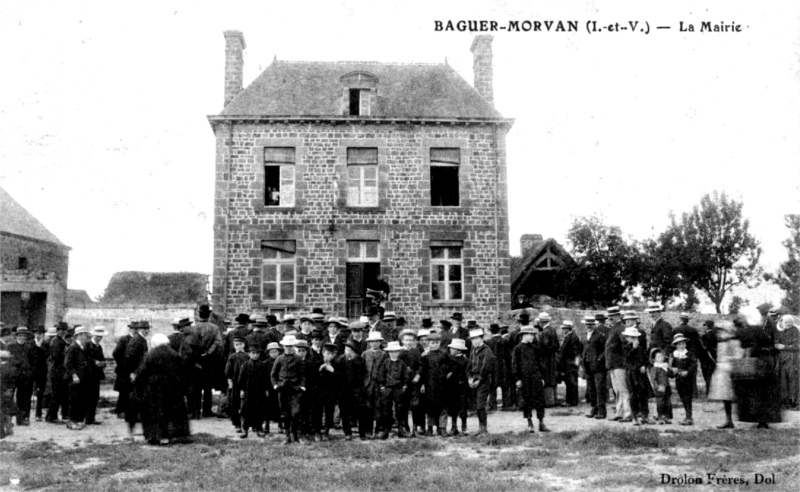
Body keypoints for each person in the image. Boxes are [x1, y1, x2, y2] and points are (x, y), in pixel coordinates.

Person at [133, 333, 191, 445]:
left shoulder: (151, 354)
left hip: (154, 388)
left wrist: (138, 385)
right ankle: (174, 435)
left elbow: (142, 372)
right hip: (172, 388)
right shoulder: (174, 354)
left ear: (154, 343)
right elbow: (182, 371)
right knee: (172, 412)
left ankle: (154, 436)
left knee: (154, 413)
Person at [512, 325, 548, 433]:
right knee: (526, 400)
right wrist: (518, 379)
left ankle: (541, 422)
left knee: (540, 400)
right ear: (524, 335)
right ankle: (529, 423)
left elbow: (540, 364)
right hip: (524, 378)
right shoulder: (517, 349)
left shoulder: (535, 348)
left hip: (536, 377)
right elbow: (514, 366)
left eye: (533, 335)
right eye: (530, 334)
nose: (532, 337)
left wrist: (541, 377)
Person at [271, 335, 306, 444]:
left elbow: (303, 375)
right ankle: (287, 436)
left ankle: (296, 434)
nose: (289, 348)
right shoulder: (279, 359)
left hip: (295, 389)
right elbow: (273, 374)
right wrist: (275, 385)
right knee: (285, 413)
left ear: (294, 346)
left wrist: (302, 386)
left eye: (291, 346)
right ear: (283, 346)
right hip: (283, 389)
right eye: (287, 346)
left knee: (296, 413)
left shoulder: (298, 359)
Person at [708, 321, 743, 429]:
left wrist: (728, 361)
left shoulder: (733, 342)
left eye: (721, 331)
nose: (719, 334)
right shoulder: (721, 343)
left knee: (736, 395)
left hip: (731, 370)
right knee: (726, 397)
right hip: (723, 371)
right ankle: (729, 420)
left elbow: (738, 355)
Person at [194, 304, 223, 418]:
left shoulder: (194, 328)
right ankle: (206, 410)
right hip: (209, 360)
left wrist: (198, 354)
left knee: (197, 386)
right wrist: (209, 352)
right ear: (209, 315)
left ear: (199, 315)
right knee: (207, 386)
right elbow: (218, 343)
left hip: (197, 360)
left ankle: (196, 411)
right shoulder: (214, 328)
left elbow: (192, 343)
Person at [420, 332, 451, 436]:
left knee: (442, 406)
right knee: (430, 407)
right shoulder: (425, 356)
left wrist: (448, 374)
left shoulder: (444, 354)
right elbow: (423, 372)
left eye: (437, 342)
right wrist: (423, 384)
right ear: (429, 343)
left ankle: (442, 428)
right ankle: (430, 428)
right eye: (432, 343)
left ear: (440, 343)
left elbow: (451, 366)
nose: (435, 345)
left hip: (442, 385)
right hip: (430, 384)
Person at [238, 345, 270, 438]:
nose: (255, 355)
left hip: (259, 391)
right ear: (249, 354)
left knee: (259, 409)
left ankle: (259, 428)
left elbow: (266, 379)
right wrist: (242, 390)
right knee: (247, 410)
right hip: (248, 391)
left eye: (257, 353)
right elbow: (241, 379)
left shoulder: (262, 365)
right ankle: (245, 429)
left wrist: (266, 390)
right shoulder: (246, 365)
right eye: (253, 353)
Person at [124, 321, 150, 435]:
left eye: (147, 328)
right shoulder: (137, 340)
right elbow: (129, 356)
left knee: (139, 394)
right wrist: (132, 372)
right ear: (140, 329)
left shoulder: (141, 339)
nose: (147, 330)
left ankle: (136, 416)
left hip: (140, 372)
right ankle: (132, 417)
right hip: (136, 372)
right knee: (136, 395)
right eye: (144, 328)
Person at [64, 326, 93, 430]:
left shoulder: (83, 347)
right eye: (84, 335)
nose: (86, 337)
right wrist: (74, 375)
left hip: (83, 378)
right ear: (79, 336)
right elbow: (67, 363)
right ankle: (72, 421)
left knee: (81, 399)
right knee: (74, 400)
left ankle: (78, 420)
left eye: (86, 335)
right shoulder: (73, 347)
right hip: (75, 379)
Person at [605, 307, 631, 422]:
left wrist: (624, 359)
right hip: (613, 364)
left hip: (619, 364)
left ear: (618, 316)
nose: (610, 318)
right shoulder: (614, 328)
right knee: (617, 390)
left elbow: (625, 344)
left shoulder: (620, 328)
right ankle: (619, 412)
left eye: (612, 316)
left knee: (623, 389)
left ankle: (628, 414)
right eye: (609, 316)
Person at [467, 327, 494, 436]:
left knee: (480, 404)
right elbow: (469, 365)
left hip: (483, 380)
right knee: (476, 405)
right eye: (472, 339)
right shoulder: (473, 350)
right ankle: (480, 427)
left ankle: (483, 428)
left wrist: (479, 380)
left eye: (476, 339)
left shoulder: (487, 350)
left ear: (482, 338)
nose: (474, 341)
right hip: (473, 379)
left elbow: (486, 367)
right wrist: (469, 377)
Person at [339, 340, 368, 440]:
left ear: (354, 352)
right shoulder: (341, 359)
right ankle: (347, 432)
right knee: (344, 412)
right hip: (344, 389)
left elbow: (359, 375)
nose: (348, 352)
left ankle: (362, 433)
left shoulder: (359, 360)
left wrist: (352, 361)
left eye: (350, 350)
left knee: (360, 412)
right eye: (346, 349)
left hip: (357, 389)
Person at [381, 341, 410, 439]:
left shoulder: (402, 363)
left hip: (398, 389)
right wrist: (382, 386)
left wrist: (404, 386)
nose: (393, 353)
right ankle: (386, 430)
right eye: (391, 352)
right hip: (388, 389)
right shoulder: (385, 362)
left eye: (395, 352)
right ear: (388, 353)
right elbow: (381, 375)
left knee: (400, 409)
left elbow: (405, 376)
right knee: (386, 410)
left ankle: (401, 430)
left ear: (398, 352)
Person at [621, 325, 649, 426]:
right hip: (631, 374)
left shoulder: (641, 348)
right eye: (632, 337)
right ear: (627, 338)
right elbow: (626, 359)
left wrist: (644, 366)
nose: (634, 339)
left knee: (643, 394)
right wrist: (633, 348)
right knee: (633, 395)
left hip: (640, 374)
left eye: (635, 337)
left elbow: (646, 360)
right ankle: (634, 416)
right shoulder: (625, 348)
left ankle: (645, 416)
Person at [398, 329, 423, 437]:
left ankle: (415, 428)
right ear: (402, 341)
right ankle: (405, 426)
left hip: (414, 382)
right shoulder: (399, 352)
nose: (409, 342)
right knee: (403, 405)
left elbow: (420, 365)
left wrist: (418, 375)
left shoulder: (416, 351)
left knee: (415, 405)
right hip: (403, 383)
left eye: (411, 340)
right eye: (406, 340)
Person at [582, 315, 607, 419]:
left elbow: (605, 349)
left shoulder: (600, 336)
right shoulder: (584, 336)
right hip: (587, 365)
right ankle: (594, 408)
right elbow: (582, 349)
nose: (589, 326)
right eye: (587, 325)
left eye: (591, 325)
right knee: (591, 388)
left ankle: (602, 411)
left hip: (598, 366)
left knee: (599, 388)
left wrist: (599, 358)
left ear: (594, 325)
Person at [363, 331, 388, 437]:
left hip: (379, 384)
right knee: (368, 406)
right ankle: (368, 430)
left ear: (380, 342)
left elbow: (386, 369)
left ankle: (378, 429)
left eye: (376, 341)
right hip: (368, 384)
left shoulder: (384, 354)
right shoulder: (365, 354)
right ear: (369, 343)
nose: (374, 344)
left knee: (379, 406)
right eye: (372, 342)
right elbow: (362, 369)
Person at [8, 327, 34, 426]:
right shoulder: (11, 346)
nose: (22, 337)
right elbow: (9, 360)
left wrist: (30, 372)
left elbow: (33, 361)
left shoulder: (29, 347)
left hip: (25, 377)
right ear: (17, 336)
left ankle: (22, 418)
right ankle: (8, 420)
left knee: (23, 398)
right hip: (13, 376)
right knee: (9, 397)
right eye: (20, 335)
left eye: (24, 336)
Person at [46, 322, 70, 424]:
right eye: (61, 330)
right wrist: (65, 353)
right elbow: (56, 356)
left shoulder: (62, 341)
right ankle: (51, 416)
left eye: (64, 330)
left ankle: (63, 414)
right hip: (57, 372)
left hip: (62, 372)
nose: (63, 332)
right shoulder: (56, 341)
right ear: (58, 331)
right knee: (56, 395)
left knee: (63, 394)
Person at [670, 334, 697, 425]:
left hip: (687, 379)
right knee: (682, 397)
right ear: (676, 345)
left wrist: (688, 372)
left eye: (683, 343)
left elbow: (693, 366)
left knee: (687, 397)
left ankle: (689, 417)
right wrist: (672, 371)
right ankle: (687, 416)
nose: (682, 345)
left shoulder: (689, 354)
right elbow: (671, 368)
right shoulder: (674, 355)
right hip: (679, 378)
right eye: (679, 344)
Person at [317, 343, 341, 440]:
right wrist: (320, 370)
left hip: (331, 392)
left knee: (329, 411)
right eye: (327, 353)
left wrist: (333, 371)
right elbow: (312, 377)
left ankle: (326, 431)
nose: (329, 356)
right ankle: (317, 431)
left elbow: (341, 378)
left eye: (332, 354)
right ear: (323, 352)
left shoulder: (337, 364)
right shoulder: (317, 362)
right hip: (318, 392)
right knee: (318, 411)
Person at [225, 337, 249, 434]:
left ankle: (247, 424)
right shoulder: (232, 357)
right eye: (236, 344)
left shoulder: (247, 356)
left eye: (240, 344)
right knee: (234, 404)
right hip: (235, 384)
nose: (238, 346)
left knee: (247, 404)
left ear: (244, 344)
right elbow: (227, 371)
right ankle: (237, 424)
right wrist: (230, 381)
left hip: (246, 383)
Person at [446, 338, 469, 436]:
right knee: (452, 406)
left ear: (458, 350)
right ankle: (454, 426)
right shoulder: (449, 359)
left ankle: (464, 426)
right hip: (452, 386)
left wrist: (452, 372)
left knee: (463, 405)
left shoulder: (465, 360)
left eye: (452, 348)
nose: (450, 350)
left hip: (462, 385)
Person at [775, 314, 799, 409]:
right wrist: (776, 345)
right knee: (783, 381)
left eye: (789, 322)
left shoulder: (795, 331)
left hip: (792, 358)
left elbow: (797, 346)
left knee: (792, 380)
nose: (787, 324)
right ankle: (785, 403)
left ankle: (795, 402)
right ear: (782, 323)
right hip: (782, 359)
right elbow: (778, 342)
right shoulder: (782, 331)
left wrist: (784, 347)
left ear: (792, 323)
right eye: (785, 322)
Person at [84, 326, 107, 425]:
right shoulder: (87, 345)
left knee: (95, 397)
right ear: (93, 335)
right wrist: (95, 362)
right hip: (88, 374)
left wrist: (103, 363)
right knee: (88, 396)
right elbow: (85, 358)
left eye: (100, 336)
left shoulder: (99, 347)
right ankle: (86, 417)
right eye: (97, 336)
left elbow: (102, 358)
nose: (99, 338)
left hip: (96, 375)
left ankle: (91, 417)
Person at [558, 320, 583, 407]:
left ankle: (572, 401)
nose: (563, 330)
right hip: (569, 364)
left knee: (571, 383)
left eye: (564, 328)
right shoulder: (569, 337)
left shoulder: (572, 338)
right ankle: (571, 400)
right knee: (569, 383)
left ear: (568, 329)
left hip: (570, 364)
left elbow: (576, 352)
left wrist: (574, 364)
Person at [537, 313, 559, 408]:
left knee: (547, 377)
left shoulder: (545, 332)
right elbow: (556, 345)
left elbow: (545, 346)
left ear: (541, 322)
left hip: (546, 358)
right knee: (551, 377)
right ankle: (554, 399)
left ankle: (549, 401)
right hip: (552, 357)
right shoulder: (552, 330)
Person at [111, 323, 132, 418]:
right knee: (123, 391)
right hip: (123, 370)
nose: (136, 330)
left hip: (131, 370)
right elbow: (116, 353)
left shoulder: (139, 339)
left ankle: (128, 410)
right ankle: (120, 410)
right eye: (134, 328)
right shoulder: (124, 339)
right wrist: (123, 364)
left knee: (130, 391)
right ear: (130, 329)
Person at [483, 324, 504, 412]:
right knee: (504, 385)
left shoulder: (488, 342)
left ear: (491, 331)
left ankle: (492, 404)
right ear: (499, 331)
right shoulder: (504, 341)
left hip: (493, 366)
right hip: (503, 365)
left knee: (493, 385)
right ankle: (507, 403)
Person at [649, 348, 672, 424]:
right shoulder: (655, 368)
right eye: (658, 357)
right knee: (660, 403)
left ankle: (666, 417)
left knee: (667, 403)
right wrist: (657, 387)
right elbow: (653, 379)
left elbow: (670, 375)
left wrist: (671, 369)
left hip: (666, 387)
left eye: (662, 356)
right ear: (654, 359)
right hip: (660, 388)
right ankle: (660, 417)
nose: (661, 358)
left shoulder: (665, 366)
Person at [31, 327, 49, 422]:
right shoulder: (30, 343)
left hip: (42, 371)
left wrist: (39, 347)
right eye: (36, 333)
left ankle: (38, 414)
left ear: (43, 334)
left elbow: (47, 355)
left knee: (40, 393)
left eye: (40, 333)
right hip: (31, 371)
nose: (38, 335)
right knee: (28, 392)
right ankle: (25, 414)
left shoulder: (46, 344)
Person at [0, 349, 16, 438]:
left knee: (1, 411)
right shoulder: (11, 368)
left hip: (1, 392)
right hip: (9, 392)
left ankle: (1, 432)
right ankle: (9, 429)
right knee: (7, 411)